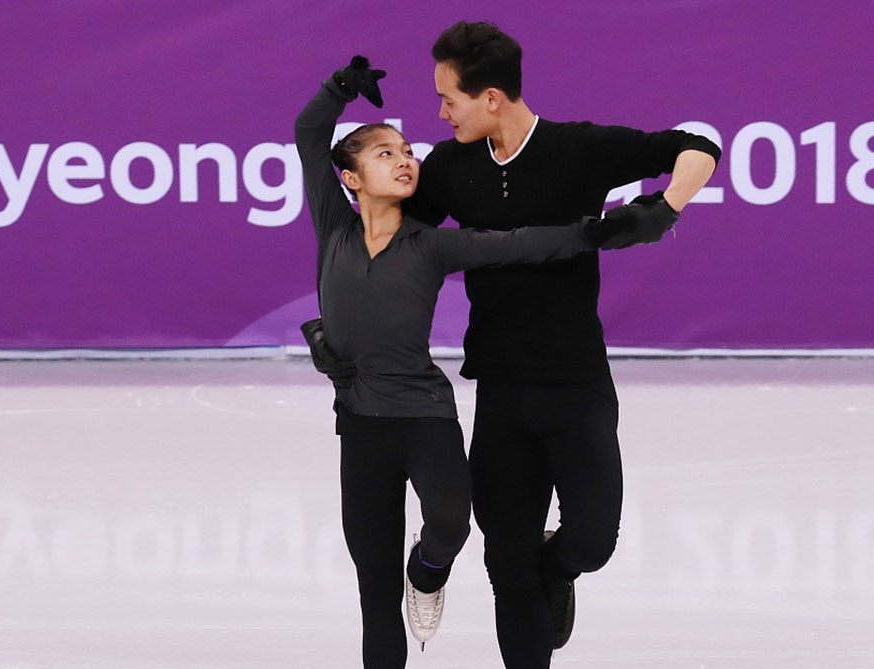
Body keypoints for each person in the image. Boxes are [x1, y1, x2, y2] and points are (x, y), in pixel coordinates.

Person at [400, 21, 722, 668]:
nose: (439, 112)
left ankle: (558, 565)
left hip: (577, 385)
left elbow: (698, 143)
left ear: (491, 97)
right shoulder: (448, 168)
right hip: (501, 393)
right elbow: (391, 241)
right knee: (506, 565)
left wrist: (664, 210)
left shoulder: (579, 149)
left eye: (448, 98)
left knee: (593, 541)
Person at [294, 56, 630, 669]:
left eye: (407, 151)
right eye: (384, 154)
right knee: (374, 596)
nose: (404, 160)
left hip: (424, 416)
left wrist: (598, 231)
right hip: (361, 427)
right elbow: (310, 133)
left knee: (450, 524)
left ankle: (426, 572)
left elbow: (518, 244)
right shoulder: (334, 228)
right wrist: (338, 88)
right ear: (350, 178)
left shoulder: (431, 244)